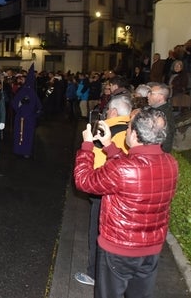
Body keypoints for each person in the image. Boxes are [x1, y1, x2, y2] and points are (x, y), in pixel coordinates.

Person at [74, 107, 178, 297]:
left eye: (129, 128)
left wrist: (87, 146)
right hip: (151, 249)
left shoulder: (122, 168)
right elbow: (134, 169)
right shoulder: (170, 163)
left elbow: (84, 181)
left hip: (118, 248)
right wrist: (109, 146)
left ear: (136, 134)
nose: (126, 131)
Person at [73, 95, 132, 287]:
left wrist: (86, 147)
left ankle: (95, 274)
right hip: (127, 193)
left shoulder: (107, 128)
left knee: (99, 232)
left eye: (108, 110)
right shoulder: (134, 129)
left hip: (104, 188)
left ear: (113, 111)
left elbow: (93, 168)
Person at [11, 64, 42, 158]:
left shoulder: (32, 92)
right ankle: (19, 150)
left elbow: (39, 107)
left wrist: (35, 115)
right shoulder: (22, 91)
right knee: (20, 135)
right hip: (21, 117)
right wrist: (21, 103)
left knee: (27, 136)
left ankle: (25, 151)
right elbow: (14, 103)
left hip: (29, 119)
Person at [147, 82, 175, 152]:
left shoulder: (162, 115)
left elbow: (166, 140)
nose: (148, 95)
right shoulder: (157, 110)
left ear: (160, 97)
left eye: (151, 93)